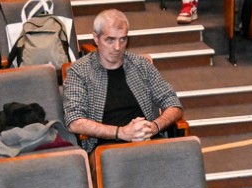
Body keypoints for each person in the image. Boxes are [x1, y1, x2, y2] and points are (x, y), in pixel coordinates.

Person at [61, 9, 184, 152]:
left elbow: (173, 103)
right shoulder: (79, 71)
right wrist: (121, 132)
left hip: (146, 140)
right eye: (110, 40)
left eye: (123, 39)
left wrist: (154, 127)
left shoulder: (141, 64)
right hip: (106, 148)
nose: (117, 47)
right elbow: (74, 121)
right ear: (96, 38)